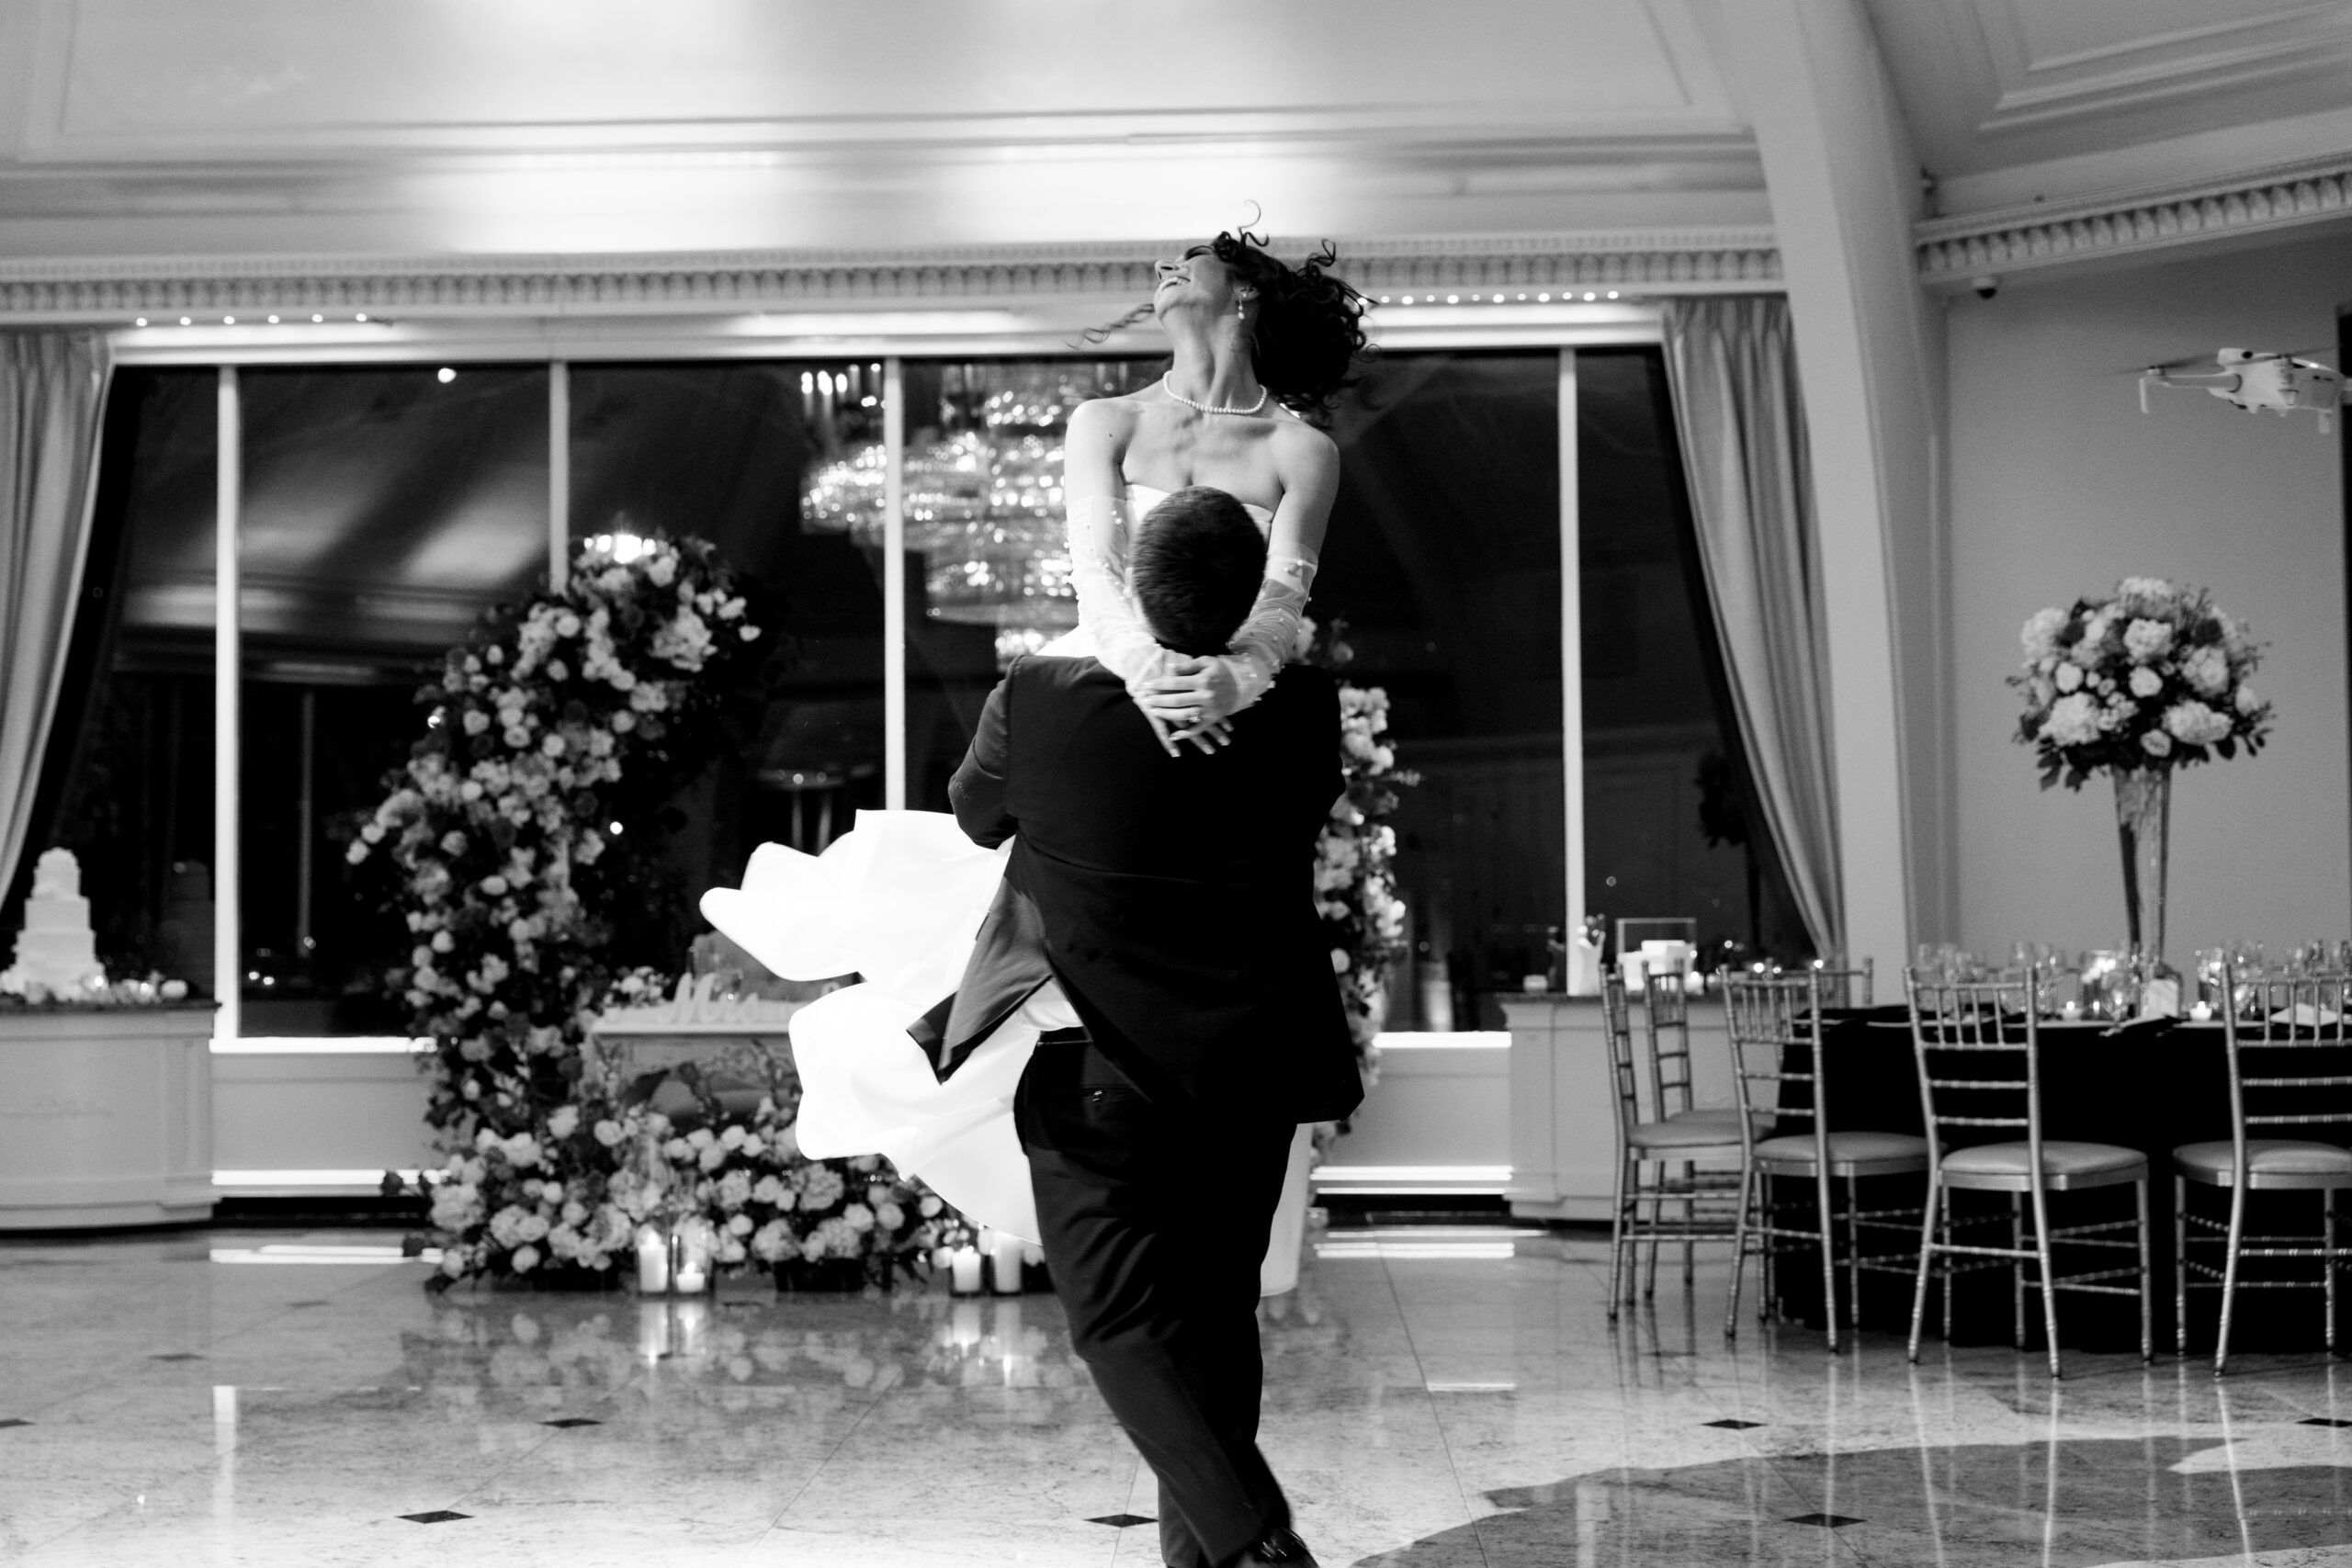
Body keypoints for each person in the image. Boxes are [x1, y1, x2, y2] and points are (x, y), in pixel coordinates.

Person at [949, 484, 1360, 1568]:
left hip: (1100, 1072)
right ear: (1256, 602)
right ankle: (1219, 1557)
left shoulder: (1037, 698)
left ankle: (1260, 1548)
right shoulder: (1305, 710)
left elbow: (973, 810)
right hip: (1249, 1072)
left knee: (1124, 1327)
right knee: (1212, 1332)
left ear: (1129, 583)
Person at [1054, 229, 1370, 753]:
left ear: (1247, 289)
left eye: (1192, 258)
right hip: (1104, 680)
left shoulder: (1303, 451)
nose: (1162, 266)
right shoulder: (1105, 421)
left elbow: (1281, 603)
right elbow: (1096, 576)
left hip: (1227, 702)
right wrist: (1149, 673)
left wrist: (1236, 683)